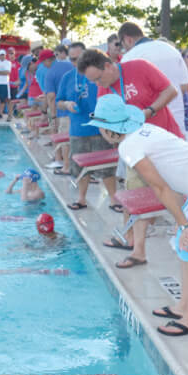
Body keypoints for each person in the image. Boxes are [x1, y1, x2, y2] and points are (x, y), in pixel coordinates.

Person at [87, 94, 188, 334]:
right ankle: (183, 306)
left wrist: (183, 226)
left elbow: (161, 188)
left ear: (109, 129)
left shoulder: (129, 146)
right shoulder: (144, 130)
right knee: (183, 248)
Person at [77, 48, 182, 268]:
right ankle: (138, 250)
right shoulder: (103, 91)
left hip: (167, 144)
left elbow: (170, 91)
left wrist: (149, 111)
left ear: (108, 65)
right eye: (93, 81)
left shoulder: (139, 67)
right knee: (135, 197)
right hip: (137, 152)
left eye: (98, 78)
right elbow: (103, 122)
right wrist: (110, 134)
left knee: (179, 194)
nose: (98, 84)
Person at [55, 44, 119, 211]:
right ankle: (81, 198)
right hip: (78, 130)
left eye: (79, 58)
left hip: (101, 129)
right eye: (72, 59)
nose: (76, 62)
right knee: (80, 168)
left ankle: (114, 199)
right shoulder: (68, 77)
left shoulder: (100, 75)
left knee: (107, 168)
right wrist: (67, 104)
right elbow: (58, 102)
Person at [118, 22, 188, 141]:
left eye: (122, 45)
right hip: (179, 124)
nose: (123, 49)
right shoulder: (170, 49)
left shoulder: (129, 59)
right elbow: (185, 88)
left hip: (151, 129)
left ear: (127, 39)